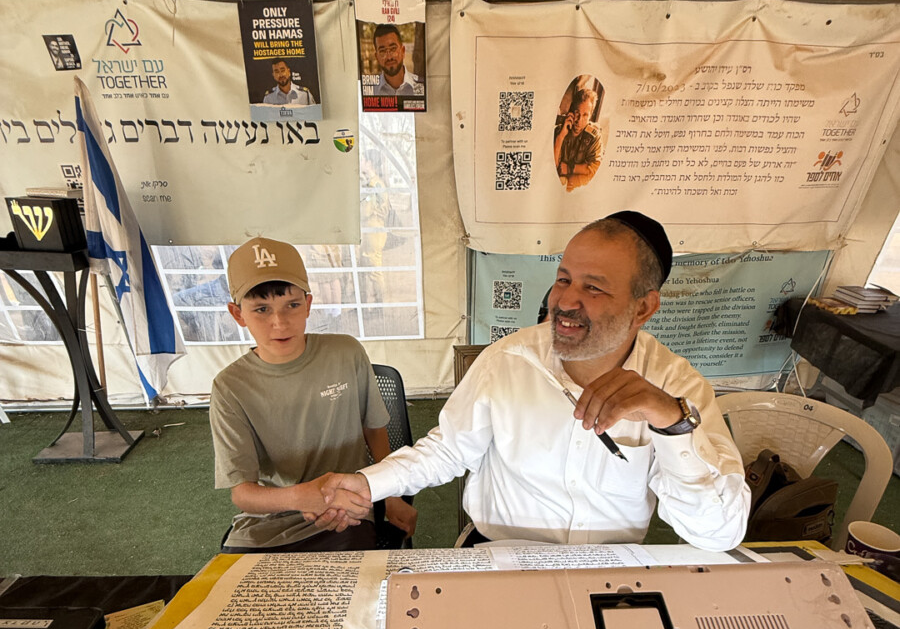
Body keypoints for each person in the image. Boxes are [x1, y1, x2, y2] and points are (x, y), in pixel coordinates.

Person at [320, 212, 750, 550]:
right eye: (563, 279)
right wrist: (368, 484)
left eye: (594, 288)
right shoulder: (508, 360)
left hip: (607, 569)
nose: (565, 300)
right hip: (499, 557)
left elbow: (719, 534)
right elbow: (448, 450)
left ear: (643, 308)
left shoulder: (676, 387)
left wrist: (672, 424)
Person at [210, 236, 416, 551]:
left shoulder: (346, 352)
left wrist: (390, 495)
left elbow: (374, 429)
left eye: (292, 305)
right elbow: (242, 493)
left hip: (346, 513)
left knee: (348, 582)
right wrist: (304, 496)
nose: (279, 323)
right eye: (262, 309)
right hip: (267, 526)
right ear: (238, 314)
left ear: (308, 304)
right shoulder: (229, 387)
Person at [554, 87, 603, 190]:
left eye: (585, 115)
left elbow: (595, 170)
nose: (579, 120)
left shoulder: (594, 137)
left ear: (590, 116)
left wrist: (569, 168)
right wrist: (561, 137)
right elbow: (552, 167)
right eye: (577, 113)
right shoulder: (559, 131)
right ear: (571, 112)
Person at [371, 24, 424, 96]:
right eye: (382, 51)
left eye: (393, 49)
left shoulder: (421, 86)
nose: (389, 57)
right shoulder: (371, 90)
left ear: (403, 51)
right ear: (377, 57)